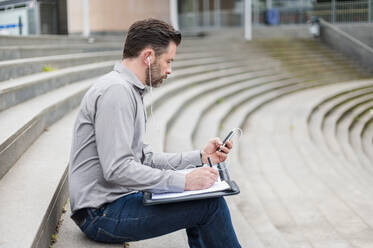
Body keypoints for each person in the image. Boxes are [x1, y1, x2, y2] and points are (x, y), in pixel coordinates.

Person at [69, 18, 241, 248]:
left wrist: (201, 157)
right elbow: (117, 169)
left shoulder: (127, 89)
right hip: (100, 214)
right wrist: (184, 181)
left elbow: (145, 159)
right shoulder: (116, 93)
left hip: (114, 201)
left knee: (203, 197)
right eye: (168, 61)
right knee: (209, 205)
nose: (170, 69)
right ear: (148, 56)